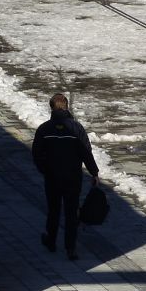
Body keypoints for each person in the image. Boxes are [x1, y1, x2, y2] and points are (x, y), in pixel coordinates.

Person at [32, 93, 99, 260]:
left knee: (53, 209)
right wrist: (94, 172)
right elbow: (86, 152)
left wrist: (45, 170)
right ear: (67, 106)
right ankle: (71, 248)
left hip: (52, 178)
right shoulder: (77, 128)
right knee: (71, 211)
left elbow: (36, 154)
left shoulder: (44, 129)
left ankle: (51, 241)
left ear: (51, 107)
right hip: (73, 178)